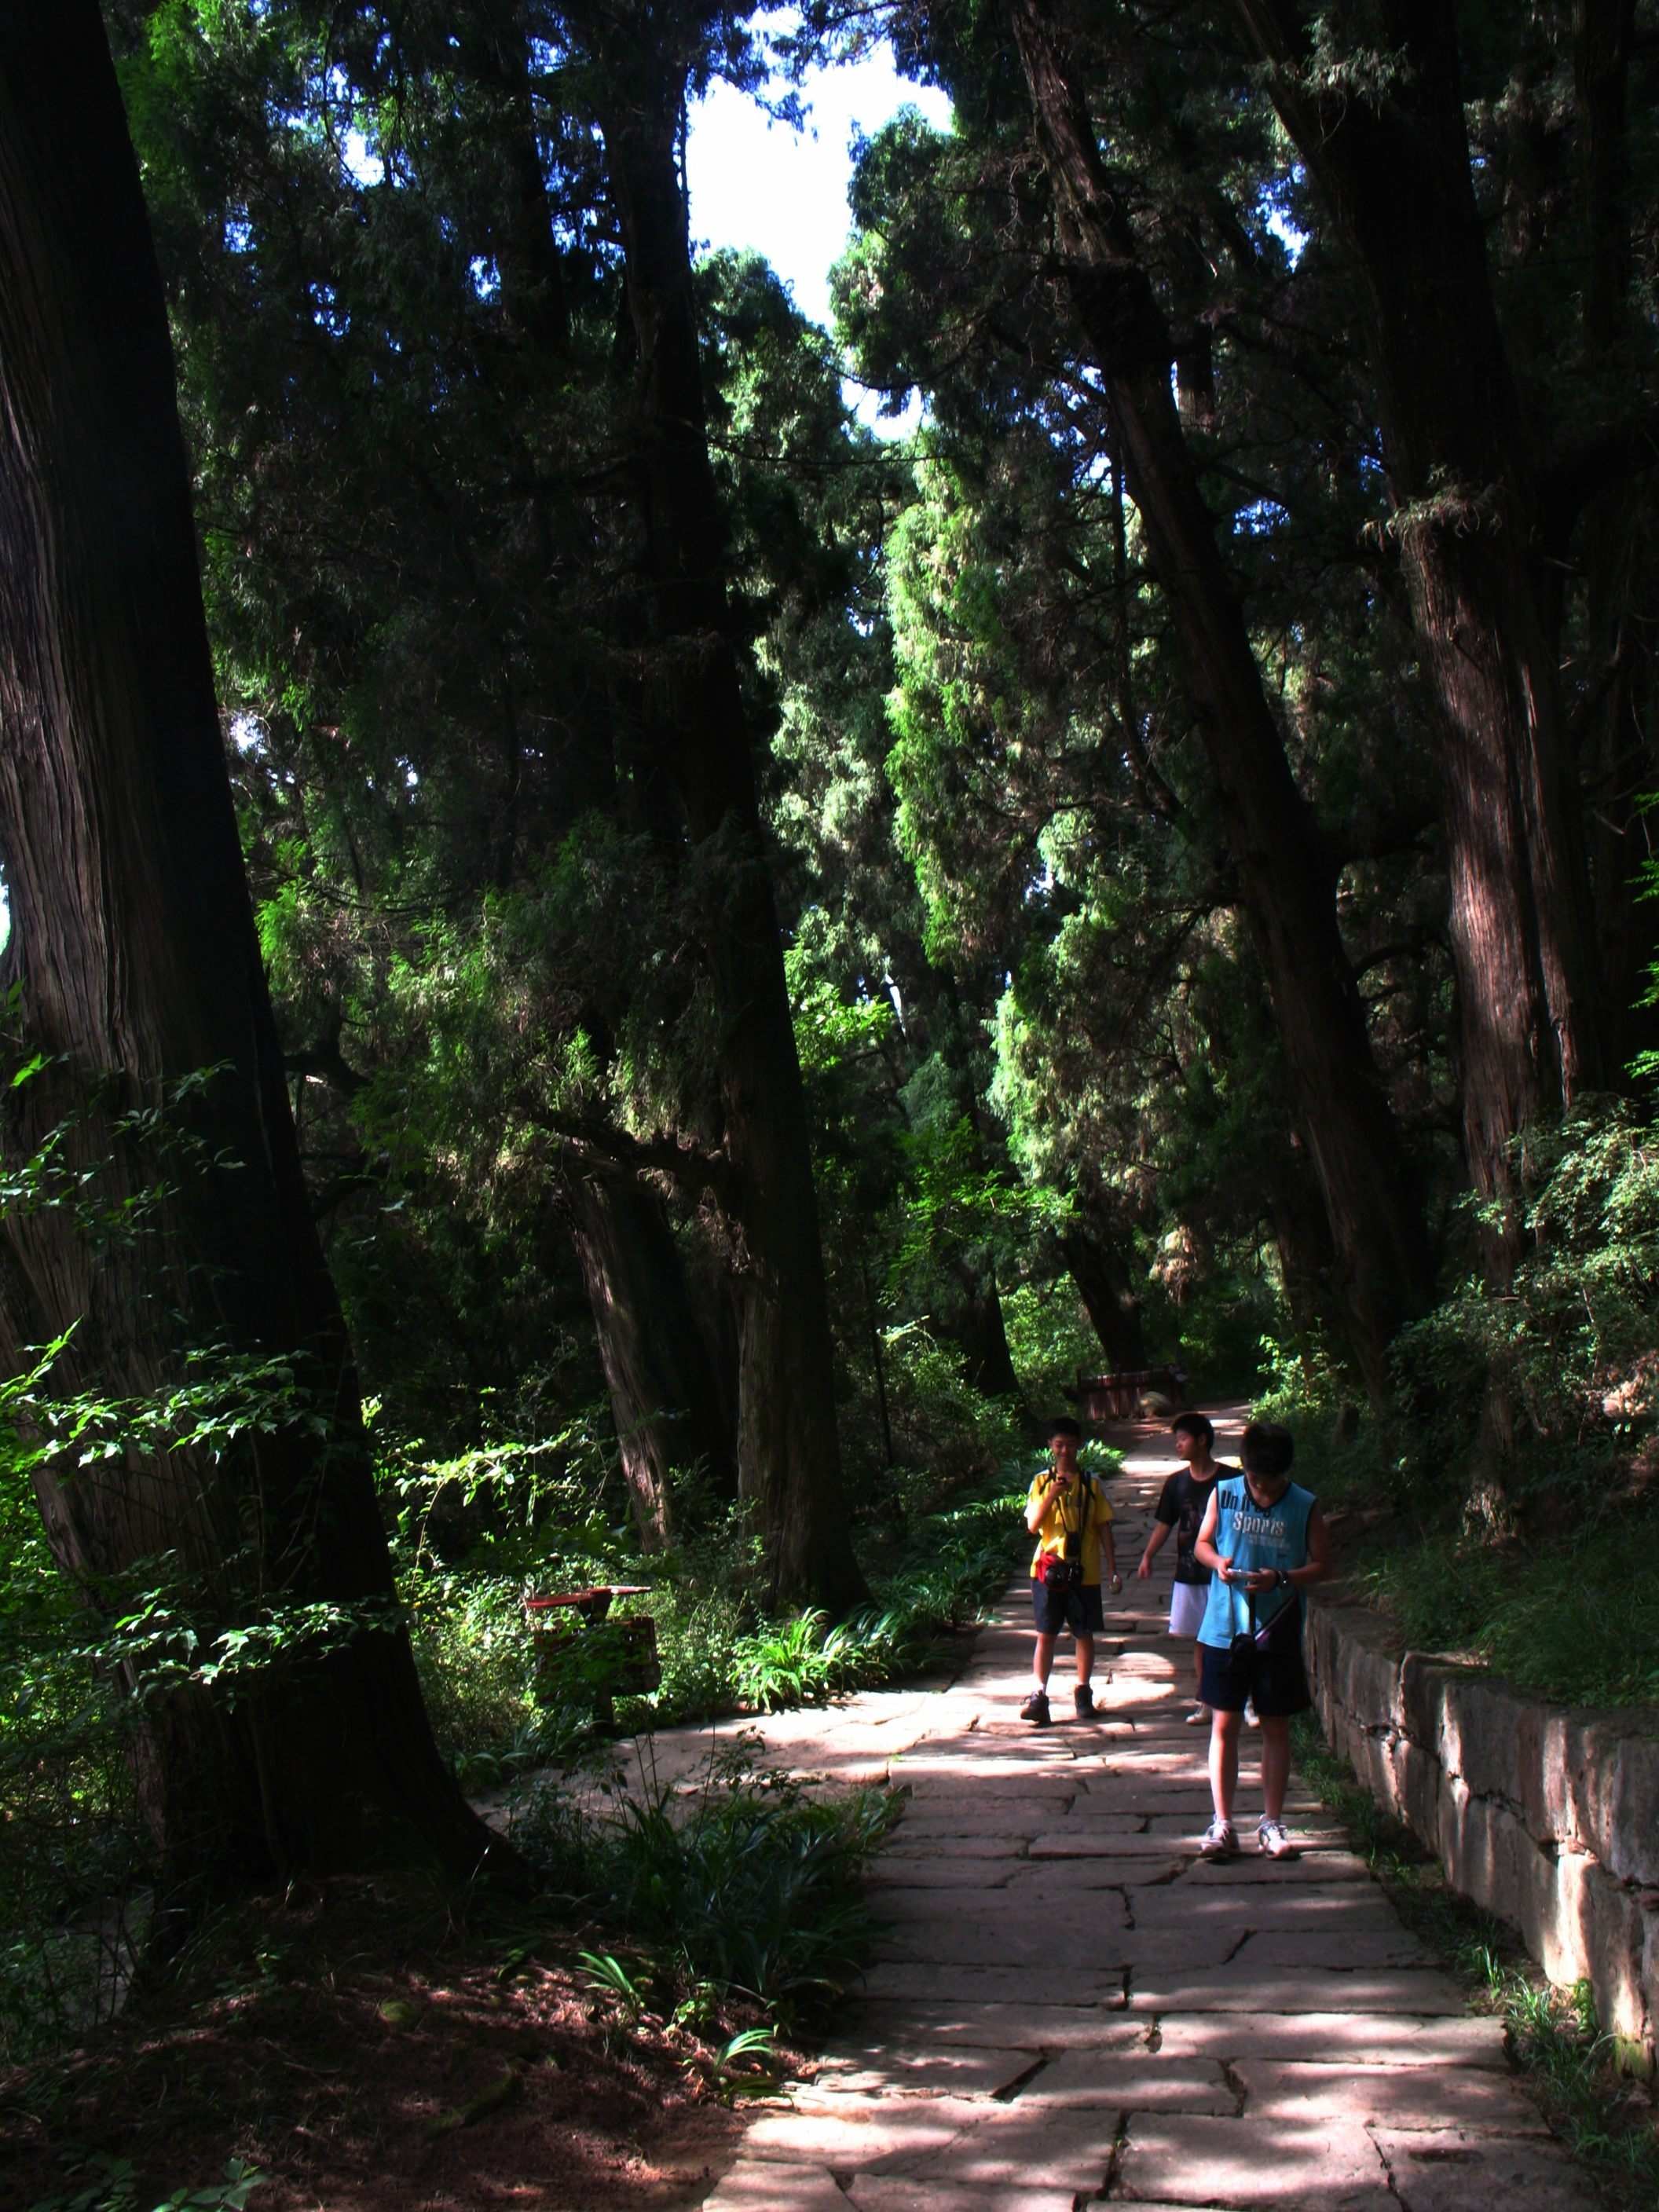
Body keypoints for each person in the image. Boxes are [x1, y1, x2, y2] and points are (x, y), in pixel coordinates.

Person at [1190, 1420, 1329, 1859]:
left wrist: (1282, 1578)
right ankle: (1223, 1822)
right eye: (1254, 1477)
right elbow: (1202, 1544)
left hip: (1278, 1629)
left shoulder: (1305, 1505)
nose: (1260, 1487)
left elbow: (1324, 1564)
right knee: (1224, 1723)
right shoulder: (1225, 1492)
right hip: (1223, 1629)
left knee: (1275, 1725)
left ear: (1284, 1472)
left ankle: (1271, 1822)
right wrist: (1219, 1563)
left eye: (1268, 1480)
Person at [1020, 1416, 1121, 1724]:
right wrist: (1052, 1494)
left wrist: (1112, 1568)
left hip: (1085, 1569)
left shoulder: (1091, 1484)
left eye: (1070, 1445)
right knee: (1046, 1633)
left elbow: (1104, 1527)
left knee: (1084, 1632)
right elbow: (1032, 1526)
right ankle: (1039, 1694)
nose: (1064, 1451)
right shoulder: (1041, 1482)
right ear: (1050, 1446)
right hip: (1049, 1569)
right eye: (1058, 1445)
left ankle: (1083, 1691)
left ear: (1079, 1445)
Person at [1137, 1412, 1225, 1725]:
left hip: (1223, 1574)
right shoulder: (1176, 1483)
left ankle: (1247, 1701)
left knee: (1235, 1639)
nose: (1178, 1444)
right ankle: (1206, 1701)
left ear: (1202, 1440)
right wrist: (1148, 1555)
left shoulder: (1230, 1481)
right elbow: (1165, 1524)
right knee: (1201, 1641)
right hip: (1189, 1574)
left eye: (1183, 1438)